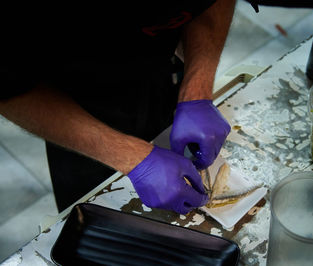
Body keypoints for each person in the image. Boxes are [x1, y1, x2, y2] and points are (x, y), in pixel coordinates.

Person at [0, 1, 235, 214]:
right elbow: (9, 91)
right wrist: (131, 157)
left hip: (161, 73)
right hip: (73, 106)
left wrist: (197, 89)